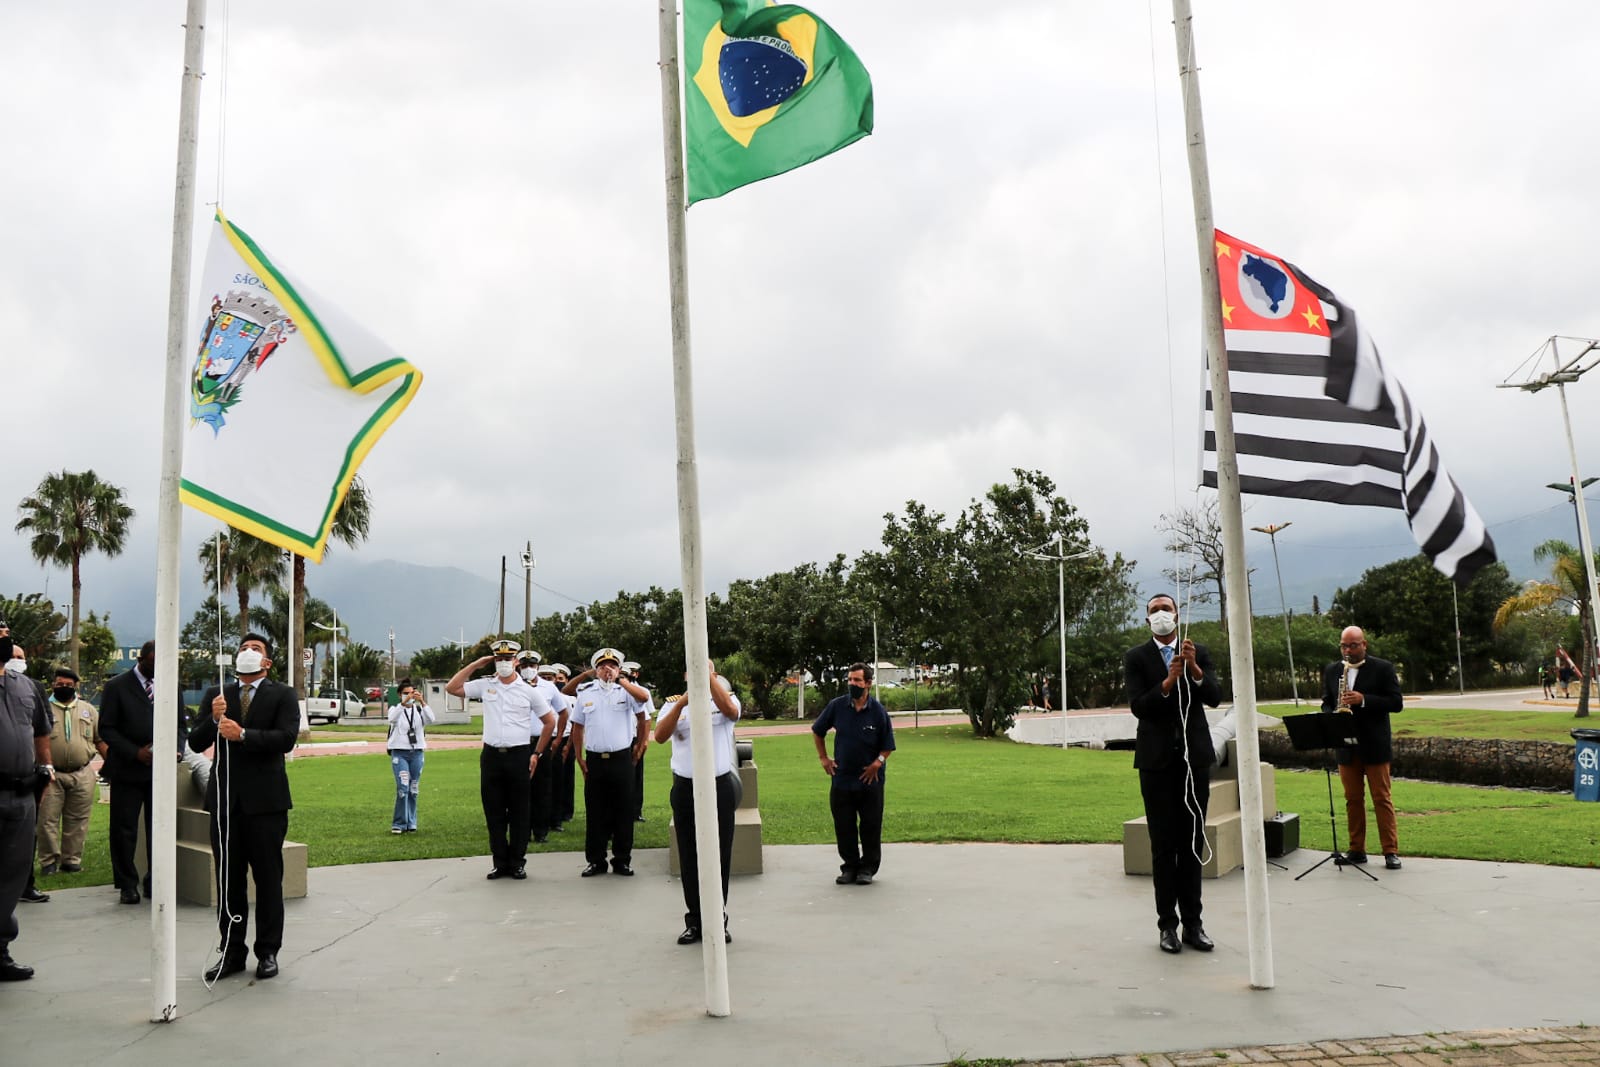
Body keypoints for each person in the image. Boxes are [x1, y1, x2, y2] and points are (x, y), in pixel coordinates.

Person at [187, 633, 301, 982]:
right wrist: (213, 717)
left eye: (256, 650)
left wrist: (245, 735)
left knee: (268, 880)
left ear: (267, 662)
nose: (248, 653)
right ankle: (232, 950)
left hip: (266, 803)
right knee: (229, 881)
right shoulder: (218, 694)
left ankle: (267, 951)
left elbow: (286, 738)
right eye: (244, 648)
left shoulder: (283, 694)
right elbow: (196, 741)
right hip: (226, 803)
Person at [1125, 593, 1221, 954]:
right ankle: (1168, 925)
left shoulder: (1198, 652)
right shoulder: (1137, 658)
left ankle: (1194, 924)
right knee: (1163, 846)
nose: (1161, 615)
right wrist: (1167, 682)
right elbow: (1139, 706)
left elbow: (1214, 696)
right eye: (1154, 611)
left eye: (1166, 609)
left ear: (1177, 616)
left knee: (1192, 844)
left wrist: (1194, 670)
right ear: (1147, 619)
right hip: (1156, 762)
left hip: (1193, 760)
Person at [447, 639, 554, 881]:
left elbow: (550, 721)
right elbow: (453, 688)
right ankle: (500, 863)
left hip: (519, 755)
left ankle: (517, 862)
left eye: (507, 659)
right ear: (493, 661)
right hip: (492, 756)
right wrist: (476, 663)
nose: (503, 663)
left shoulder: (528, 691)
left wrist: (537, 753)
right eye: (499, 659)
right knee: (493, 812)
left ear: (516, 661)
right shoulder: (486, 685)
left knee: (519, 813)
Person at [655, 661, 741, 945]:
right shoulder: (673, 705)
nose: (699, 676)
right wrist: (682, 703)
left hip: (718, 786)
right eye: (693, 670)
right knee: (689, 856)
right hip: (685, 787)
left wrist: (709, 679)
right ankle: (694, 920)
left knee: (720, 855)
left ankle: (719, 919)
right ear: (684, 676)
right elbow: (660, 736)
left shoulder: (724, 700)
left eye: (705, 670)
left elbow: (731, 712)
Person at [97, 640, 183, 904]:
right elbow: (107, 729)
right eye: (155, 661)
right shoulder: (116, 686)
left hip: (160, 772)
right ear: (143, 659)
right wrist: (136, 752)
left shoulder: (171, 685)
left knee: (159, 829)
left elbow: (181, 725)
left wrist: (177, 750)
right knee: (124, 829)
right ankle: (126, 884)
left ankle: (154, 882)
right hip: (127, 769)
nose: (160, 667)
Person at [1320, 626, 1405, 871]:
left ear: (1364, 644)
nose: (1348, 650)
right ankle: (1357, 849)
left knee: (1382, 798)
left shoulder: (1383, 668)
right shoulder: (1333, 670)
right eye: (1344, 646)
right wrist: (1333, 713)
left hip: (1374, 744)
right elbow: (1326, 701)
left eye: (1353, 645)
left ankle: (1390, 851)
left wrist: (1363, 700)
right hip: (1346, 745)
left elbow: (1396, 703)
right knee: (1352, 799)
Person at [564, 647, 651, 877]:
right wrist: (579, 757)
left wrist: (640, 745)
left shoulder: (628, 691)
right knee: (596, 811)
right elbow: (578, 727)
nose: (607, 670)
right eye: (603, 666)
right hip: (595, 759)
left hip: (621, 758)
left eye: (612, 666)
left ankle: (622, 859)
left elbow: (644, 706)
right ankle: (596, 860)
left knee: (623, 810)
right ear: (597, 670)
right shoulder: (586, 692)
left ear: (619, 669)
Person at [811, 662, 896, 886]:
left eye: (857, 680)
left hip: (870, 782)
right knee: (844, 825)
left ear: (868, 683)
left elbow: (887, 746)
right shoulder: (837, 706)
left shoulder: (878, 712)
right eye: (849, 680)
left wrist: (877, 764)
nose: (852, 684)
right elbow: (817, 731)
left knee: (870, 825)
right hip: (842, 779)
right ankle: (849, 866)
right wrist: (823, 758)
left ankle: (867, 868)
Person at [0, 627, 50, 981]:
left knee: (13, 875)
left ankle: (0, 950)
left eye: (5, 632)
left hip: (22, 795)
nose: (4, 637)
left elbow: (40, 732)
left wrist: (44, 770)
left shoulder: (27, 687)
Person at [36, 666, 105, 876]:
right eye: (59, 684)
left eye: (68, 685)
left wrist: (111, 765)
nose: (64, 688)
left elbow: (99, 739)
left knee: (78, 820)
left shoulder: (88, 710)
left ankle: (71, 860)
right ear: (53, 685)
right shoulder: (42, 708)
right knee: (47, 819)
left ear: (76, 686)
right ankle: (48, 861)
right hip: (51, 773)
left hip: (82, 772)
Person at [526, 658, 569, 843]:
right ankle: (523, 830)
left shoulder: (549, 688)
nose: (528, 669)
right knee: (521, 789)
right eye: (524, 666)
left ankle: (541, 831)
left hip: (542, 741)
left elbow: (563, 712)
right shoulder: (513, 685)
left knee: (542, 787)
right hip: (519, 742)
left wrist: (558, 737)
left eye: (532, 665)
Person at [385, 679, 435, 834]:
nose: (408, 696)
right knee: (403, 787)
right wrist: (403, 703)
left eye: (411, 693)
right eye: (405, 693)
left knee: (414, 789)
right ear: (400, 694)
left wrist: (423, 703)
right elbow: (391, 719)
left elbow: (431, 720)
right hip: (400, 753)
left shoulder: (419, 711)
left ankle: (411, 822)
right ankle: (399, 823)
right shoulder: (395, 709)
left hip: (417, 753)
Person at [623, 661, 652, 822]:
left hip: (636, 737)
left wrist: (644, 741)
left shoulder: (641, 692)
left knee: (636, 776)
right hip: (622, 740)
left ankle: (636, 811)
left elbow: (647, 718)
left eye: (632, 674)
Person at [550, 664, 577, 829]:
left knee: (566, 778)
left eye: (561, 679)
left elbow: (574, 723)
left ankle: (565, 811)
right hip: (549, 739)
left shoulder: (570, 699)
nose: (558, 682)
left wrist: (568, 745)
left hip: (566, 739)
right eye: (555, 678)